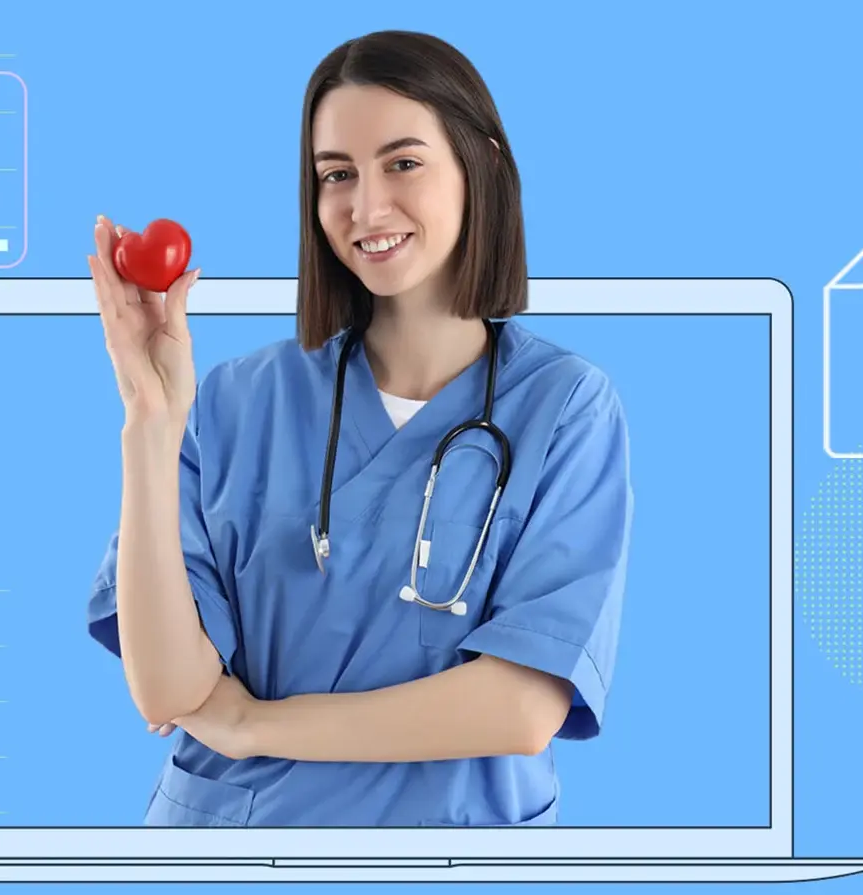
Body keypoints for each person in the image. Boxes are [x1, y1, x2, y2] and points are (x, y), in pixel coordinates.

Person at [83, 29, 633, 827]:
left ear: (482, 163)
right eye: (336, 175)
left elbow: (520, 707)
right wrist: (150, 419)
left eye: (402, 162)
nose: (365, 208)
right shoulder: (238, 399)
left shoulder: (565, 406)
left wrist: (251, 724)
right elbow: (167, 689)